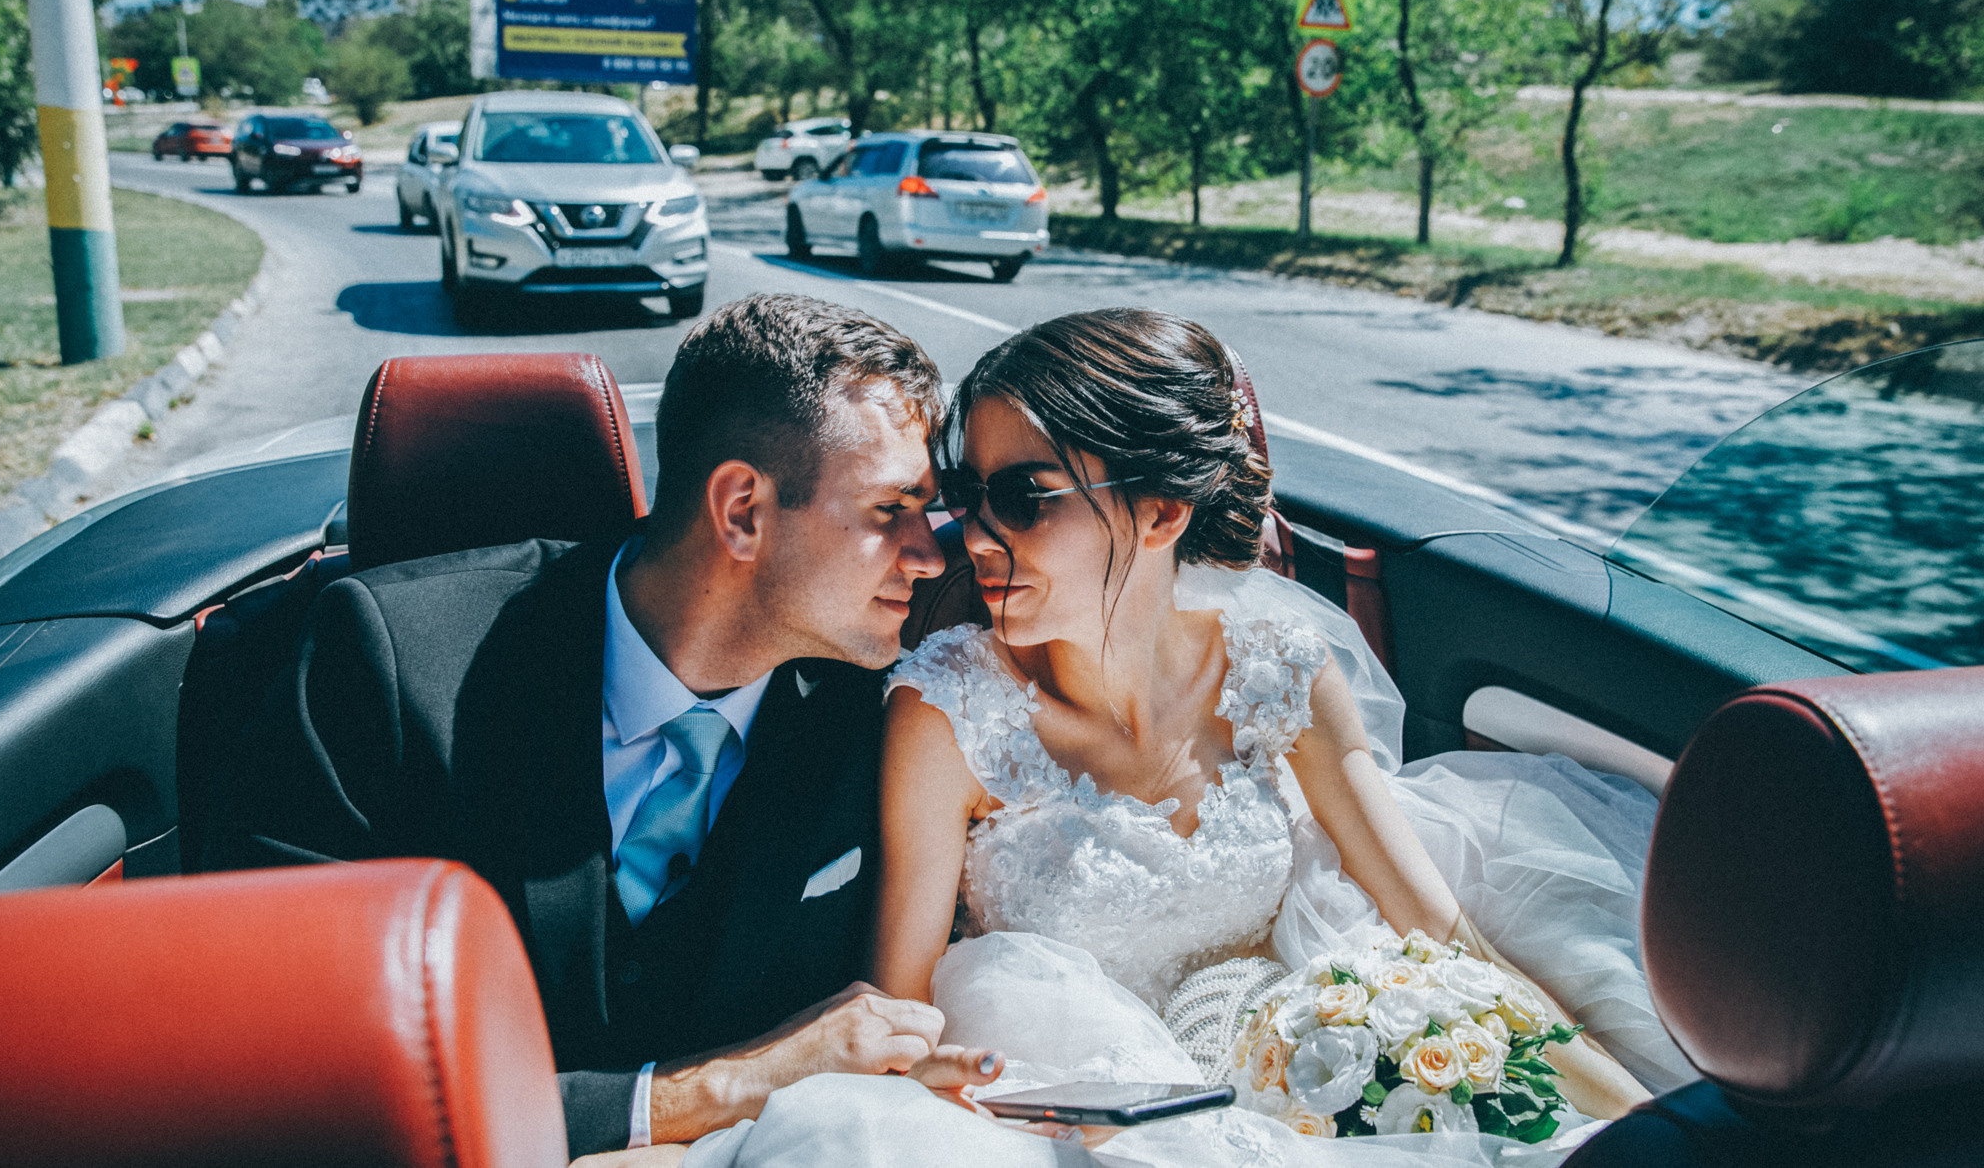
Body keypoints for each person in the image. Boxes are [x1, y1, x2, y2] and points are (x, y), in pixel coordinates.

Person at [688, 308, 1690, 1167]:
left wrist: (1625, 1116)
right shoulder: (947, 711)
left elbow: (1436, 934)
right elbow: (900, 1018)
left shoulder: (1278, 666)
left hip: (1306, 1059)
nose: (973, 538)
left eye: (1019, 499)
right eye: (969, 497)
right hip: (1073, 1104)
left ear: (1161, 511)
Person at [211, 295, 1004, 1160]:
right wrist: (718, 1086)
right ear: (741, 509)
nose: (929, 556)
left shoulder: (889, 705)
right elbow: (312, 1073)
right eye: (893, 509)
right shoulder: (384, 665)